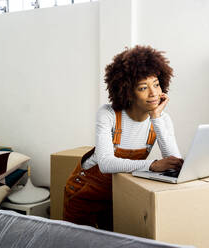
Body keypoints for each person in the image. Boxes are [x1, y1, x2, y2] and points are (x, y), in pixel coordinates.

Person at [63, 45, 183, 231]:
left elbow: (174, 163)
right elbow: (105, 164)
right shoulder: (108, 114)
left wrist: (156, 118)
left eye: (156, 84)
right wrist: (151, 165)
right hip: (84, 194)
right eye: (143, 87)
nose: (153, 93)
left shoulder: (161, 118)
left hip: (117, 194)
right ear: (127, 91)